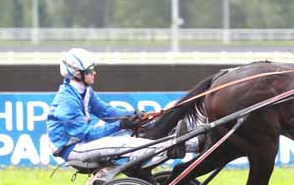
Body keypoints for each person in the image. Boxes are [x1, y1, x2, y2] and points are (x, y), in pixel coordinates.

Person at [47, 48, 199, 166]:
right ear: (77, 74)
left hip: (83, 141)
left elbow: (107, 112)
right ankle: (171, 147)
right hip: (73, 149)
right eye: (90, 70)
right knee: (128, 144)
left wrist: (134, 115)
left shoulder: (84, 91)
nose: (94, 73)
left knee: (143, 128)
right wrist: (121, 124)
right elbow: (88, 135)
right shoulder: (67, 101)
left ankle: (195, 142)